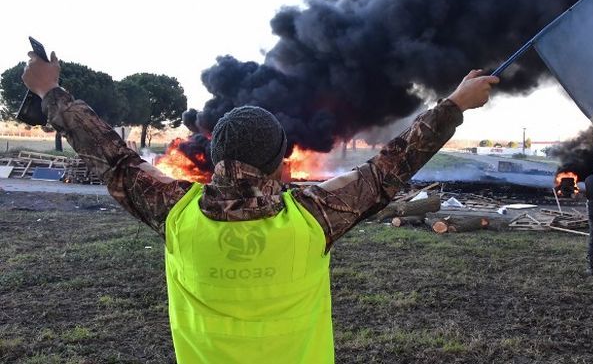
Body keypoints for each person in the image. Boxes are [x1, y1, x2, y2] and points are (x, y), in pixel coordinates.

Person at [21, 50, 499, 364]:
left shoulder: (176, 213)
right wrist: (453, 105)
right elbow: (388, 167)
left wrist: (49, 91)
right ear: (280, 164)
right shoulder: (314, 217)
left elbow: (111, 154)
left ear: (213, 157)